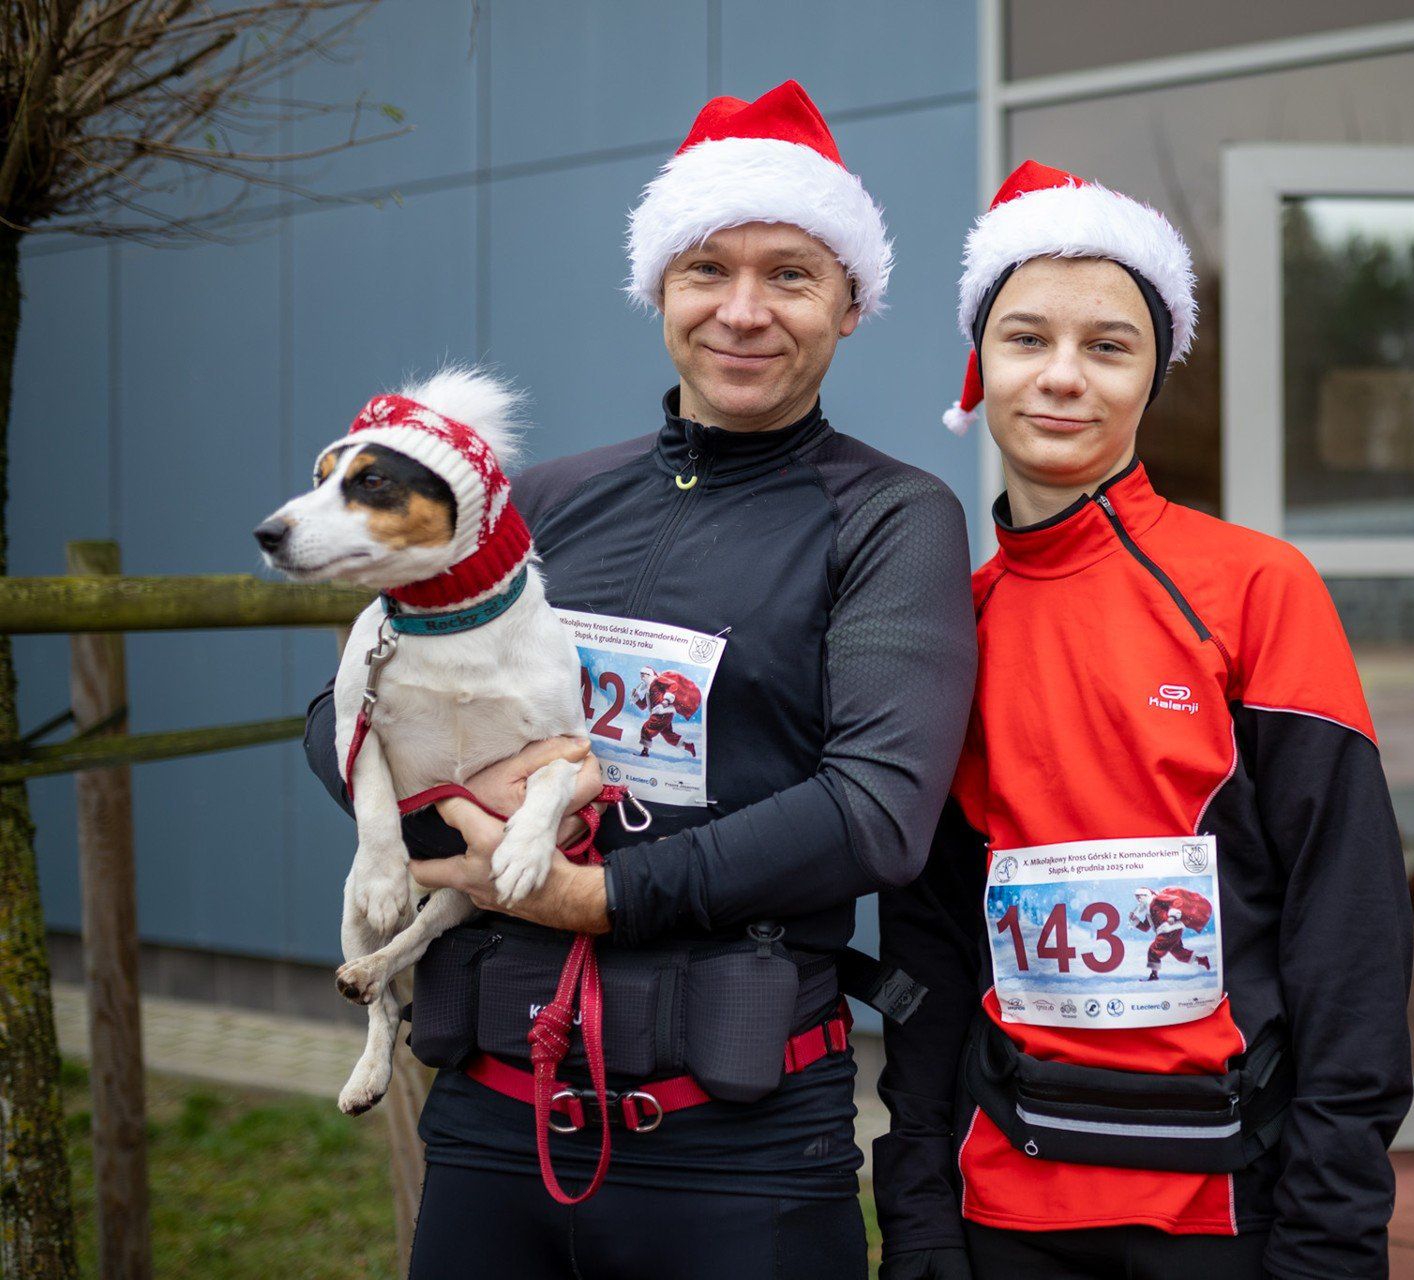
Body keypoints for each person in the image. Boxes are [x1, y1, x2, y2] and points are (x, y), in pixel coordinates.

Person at [302, 81, 975, 1278]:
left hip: (740, 1149)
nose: (743, 310)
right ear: (660, 286)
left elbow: (876, 810)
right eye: (707, 268)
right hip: (492, 1122)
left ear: (851, 304)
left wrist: (597, 896)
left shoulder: (890, 518)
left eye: (791, 275)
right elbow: (340, 715)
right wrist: (464, 816)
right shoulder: (538, 505)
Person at [874, 161, 1413, 1280]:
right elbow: (929, 950)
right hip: (1004, 1204)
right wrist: (918, 1217)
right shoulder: (951, 628)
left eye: (1108, 346)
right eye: (1027, 338)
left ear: (1152, 375)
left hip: (1228, 1206)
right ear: (981, 363)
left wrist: (1334, 1231)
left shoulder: (1256, 589)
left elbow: (1350, 933)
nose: (1062, 376)